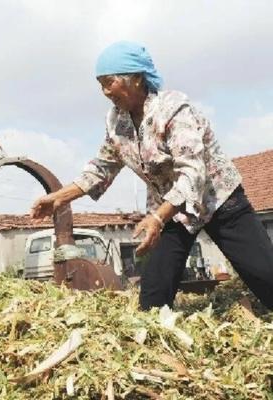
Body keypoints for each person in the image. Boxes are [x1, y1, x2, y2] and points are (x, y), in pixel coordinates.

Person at [30, 41, 273, 311]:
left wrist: (157, 217)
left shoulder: (174, 109)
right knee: (152, 299)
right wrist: (59, 198)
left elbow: (193, 172)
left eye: (109, 82)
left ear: (135, 78)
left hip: (218, 201)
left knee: (265, 275)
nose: (105, 91)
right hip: (171, 211)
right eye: (100, 84)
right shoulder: (116, 121)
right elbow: (102, 166)